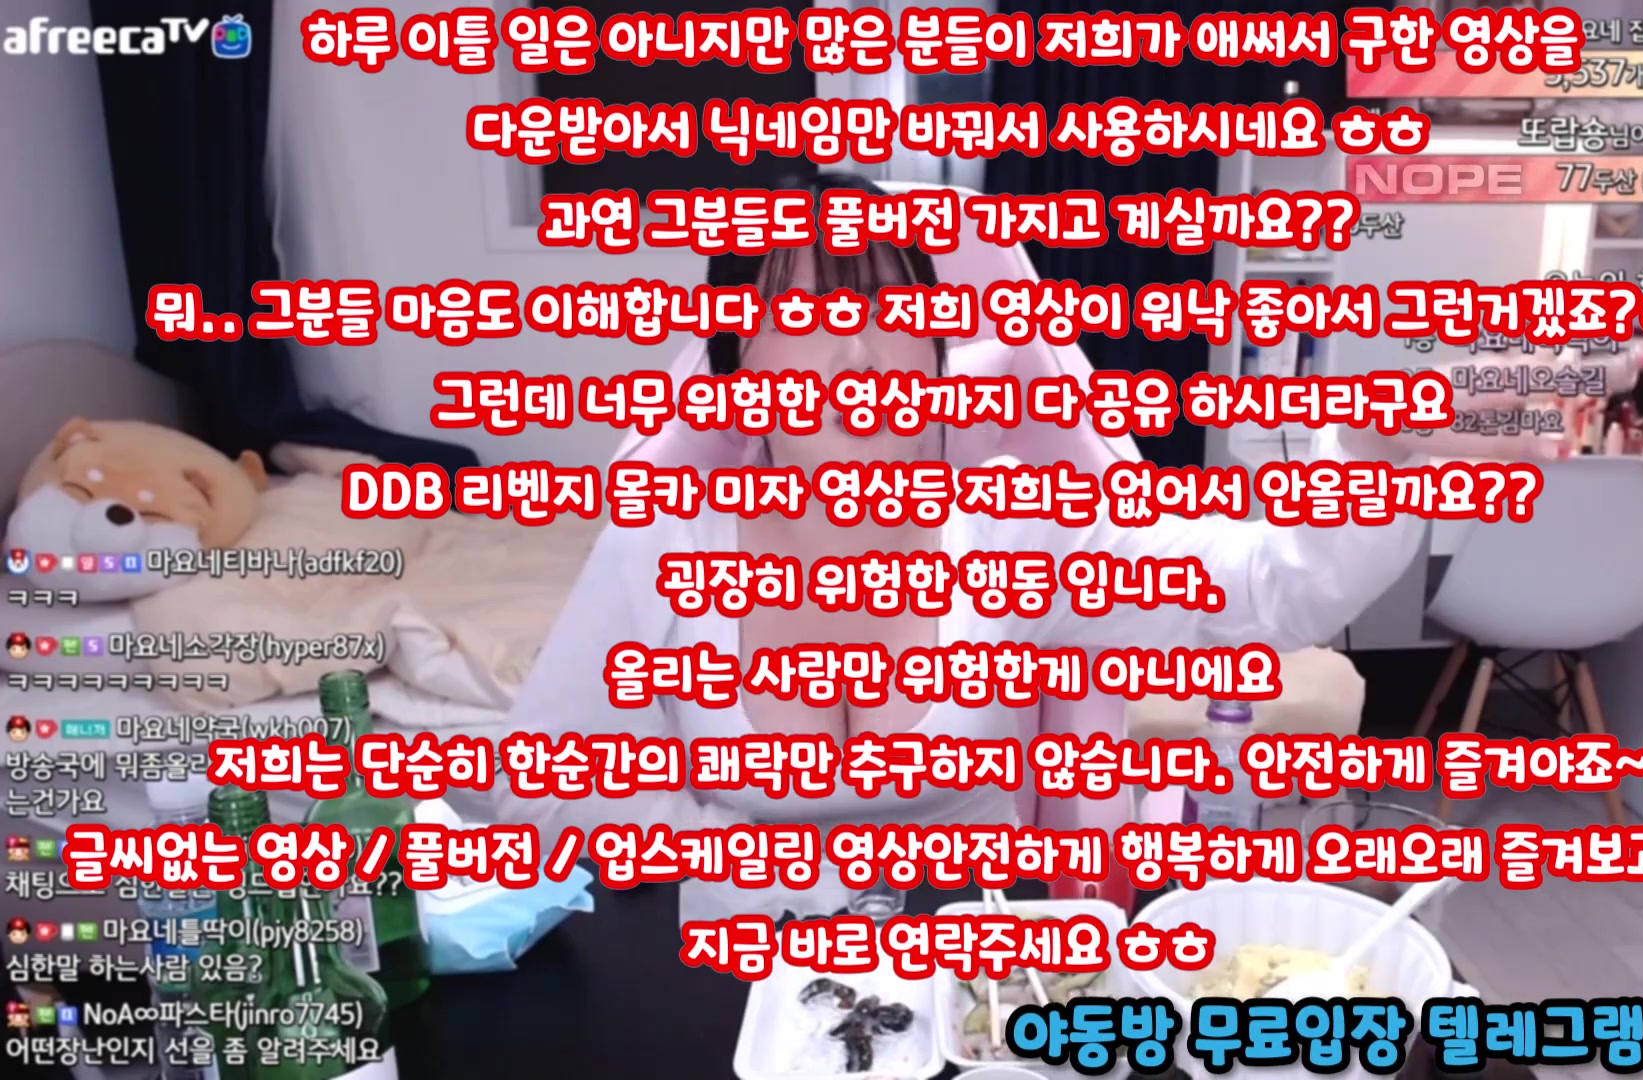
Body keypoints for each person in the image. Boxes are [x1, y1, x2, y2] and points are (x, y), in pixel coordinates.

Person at [505, 173, 1550, 915]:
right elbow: (544, 790)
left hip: (981, 988)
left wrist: (1373, 442)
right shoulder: (665, 542)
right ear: (737, 357)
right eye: (804, 307)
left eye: (889, 305)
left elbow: (1276, 587)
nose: (855, 351)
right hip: (745, 1007)